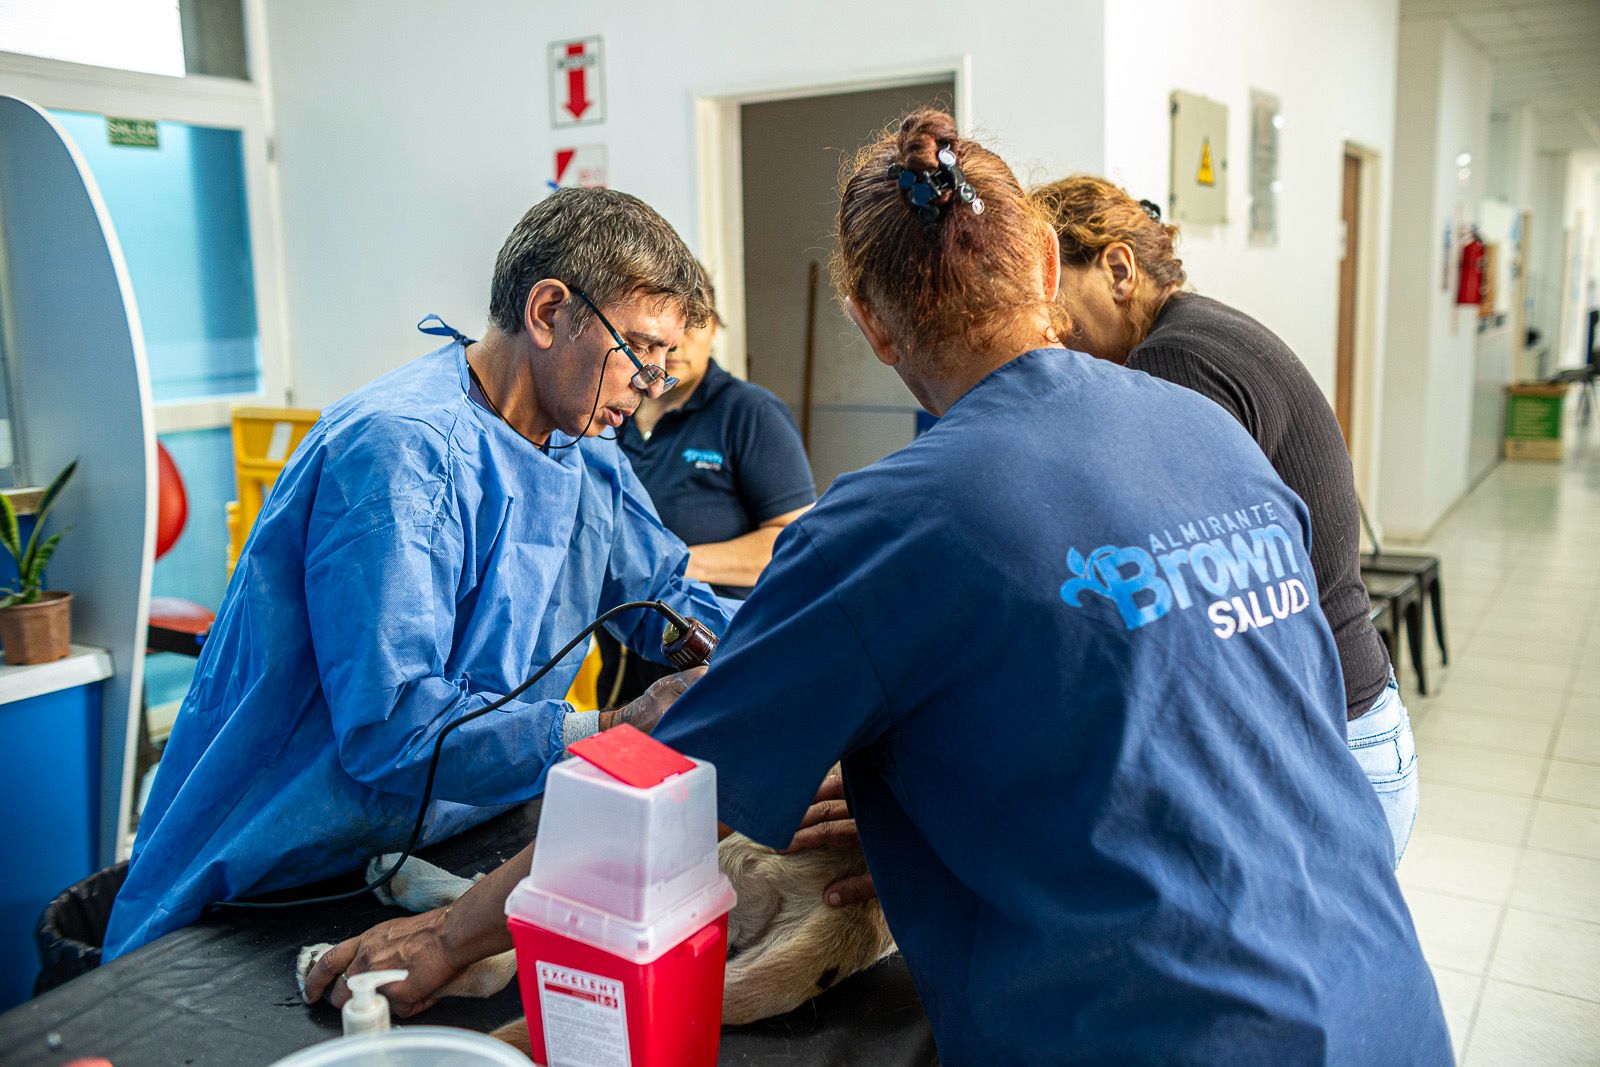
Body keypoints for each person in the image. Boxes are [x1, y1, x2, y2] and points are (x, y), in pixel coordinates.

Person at [305, 111, 1450, 1064]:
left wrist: (453, 939)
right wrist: (933, 786)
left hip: (1150, 1031)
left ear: (864, 321)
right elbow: (1220, 714)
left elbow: (651, 791)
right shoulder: (1214, 437)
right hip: (1385, 1001)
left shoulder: (897, 517)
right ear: (1044, 270)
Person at [104, 188, 733, 959]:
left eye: (666, 365)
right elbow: (392, 728)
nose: (648, 385)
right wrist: (609, 729)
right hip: (283, 872)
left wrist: (760, 650)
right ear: (546, 313)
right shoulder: (401, 452)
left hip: (458, 826)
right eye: (640, 350)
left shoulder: (584, 447)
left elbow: (661, 596)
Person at [1030, 174, 1418, 862]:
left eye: (1057, 306)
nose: (1056, 338)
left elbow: (1176, 595)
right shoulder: (1205, 329)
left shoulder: (1171, 361)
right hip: (1358, 721)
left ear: (1119, 269)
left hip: (1331, 745)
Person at [596, 262, 815, 705]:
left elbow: (794, 547)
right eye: (655, 332)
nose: (673, 346)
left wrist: (664, 567)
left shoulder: (750, 414)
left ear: (714, 327)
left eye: (691, 324)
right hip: (624, 653)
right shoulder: (609, 413)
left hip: (708, 650)